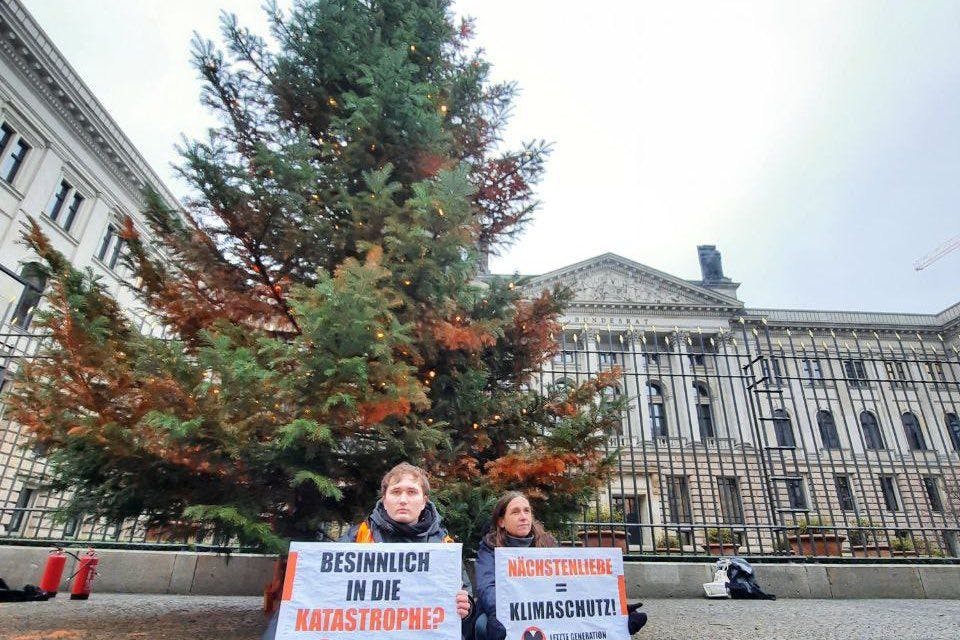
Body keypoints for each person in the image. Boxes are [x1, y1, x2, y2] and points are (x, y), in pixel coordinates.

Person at [262, 462, 474, 639]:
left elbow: (465, 608)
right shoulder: (358, 537)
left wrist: (467, 610)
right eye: (396, 492)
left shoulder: (444, 546)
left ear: (424, 501)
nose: (403, 499)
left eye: (412, 492)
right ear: (384, 499)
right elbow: (320, 589)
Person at [474, 492, 647, 640]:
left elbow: (574, 584)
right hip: (504, 612)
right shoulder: (489, 547)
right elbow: (487, 587)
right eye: (515, 512)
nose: (523, 516)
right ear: (501, 522)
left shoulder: (548, 544)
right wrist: (502, 613)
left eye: (527, 511)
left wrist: (616, 610)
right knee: (483, 625)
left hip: (544, 611)